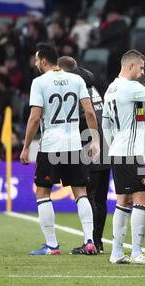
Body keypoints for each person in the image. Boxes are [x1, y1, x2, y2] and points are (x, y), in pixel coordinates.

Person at [20, 42, 100, 256]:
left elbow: (35, 117)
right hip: (74, 143)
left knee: (43, 192)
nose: (36, 63)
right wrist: (94, 140)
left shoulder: (39, 82)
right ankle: (90, 240)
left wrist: (26, 146)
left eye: (37, 60)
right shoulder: (77, 80)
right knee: (80, 192)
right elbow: (90, 113)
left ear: (44, 60)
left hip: (51, 145)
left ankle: (52, 245)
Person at [102, 49, 145, 265]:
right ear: (130, 66)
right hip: (129, 154)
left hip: (118, 152)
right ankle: (137, 252)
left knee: (123, 201)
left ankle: (117, 252)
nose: (142, 73)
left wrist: (115, 145)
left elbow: (105, 125)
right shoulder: (130, 88)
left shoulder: (111, 88)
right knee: (142, 200)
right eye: (140, 68)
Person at [57, 56, 110, 254]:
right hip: (105, 145)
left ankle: (93, 243)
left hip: (90, 146)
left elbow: (85, 118)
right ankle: (99, 241)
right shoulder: (93, 87)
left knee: (90, 196)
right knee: (101, 199)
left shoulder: (76, 89)